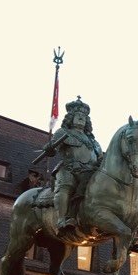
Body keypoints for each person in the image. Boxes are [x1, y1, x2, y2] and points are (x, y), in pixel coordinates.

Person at [45, 97, 103, 236]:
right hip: (69, 168)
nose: (81, 118)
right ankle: (61, 220)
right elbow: (53, 148)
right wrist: (50, 148)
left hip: (89, 172)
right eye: (78, 116)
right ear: (71, 118)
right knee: (66, 186)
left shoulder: (93, 141)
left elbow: (100, 158)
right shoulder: (63, 133)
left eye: (84, 116)